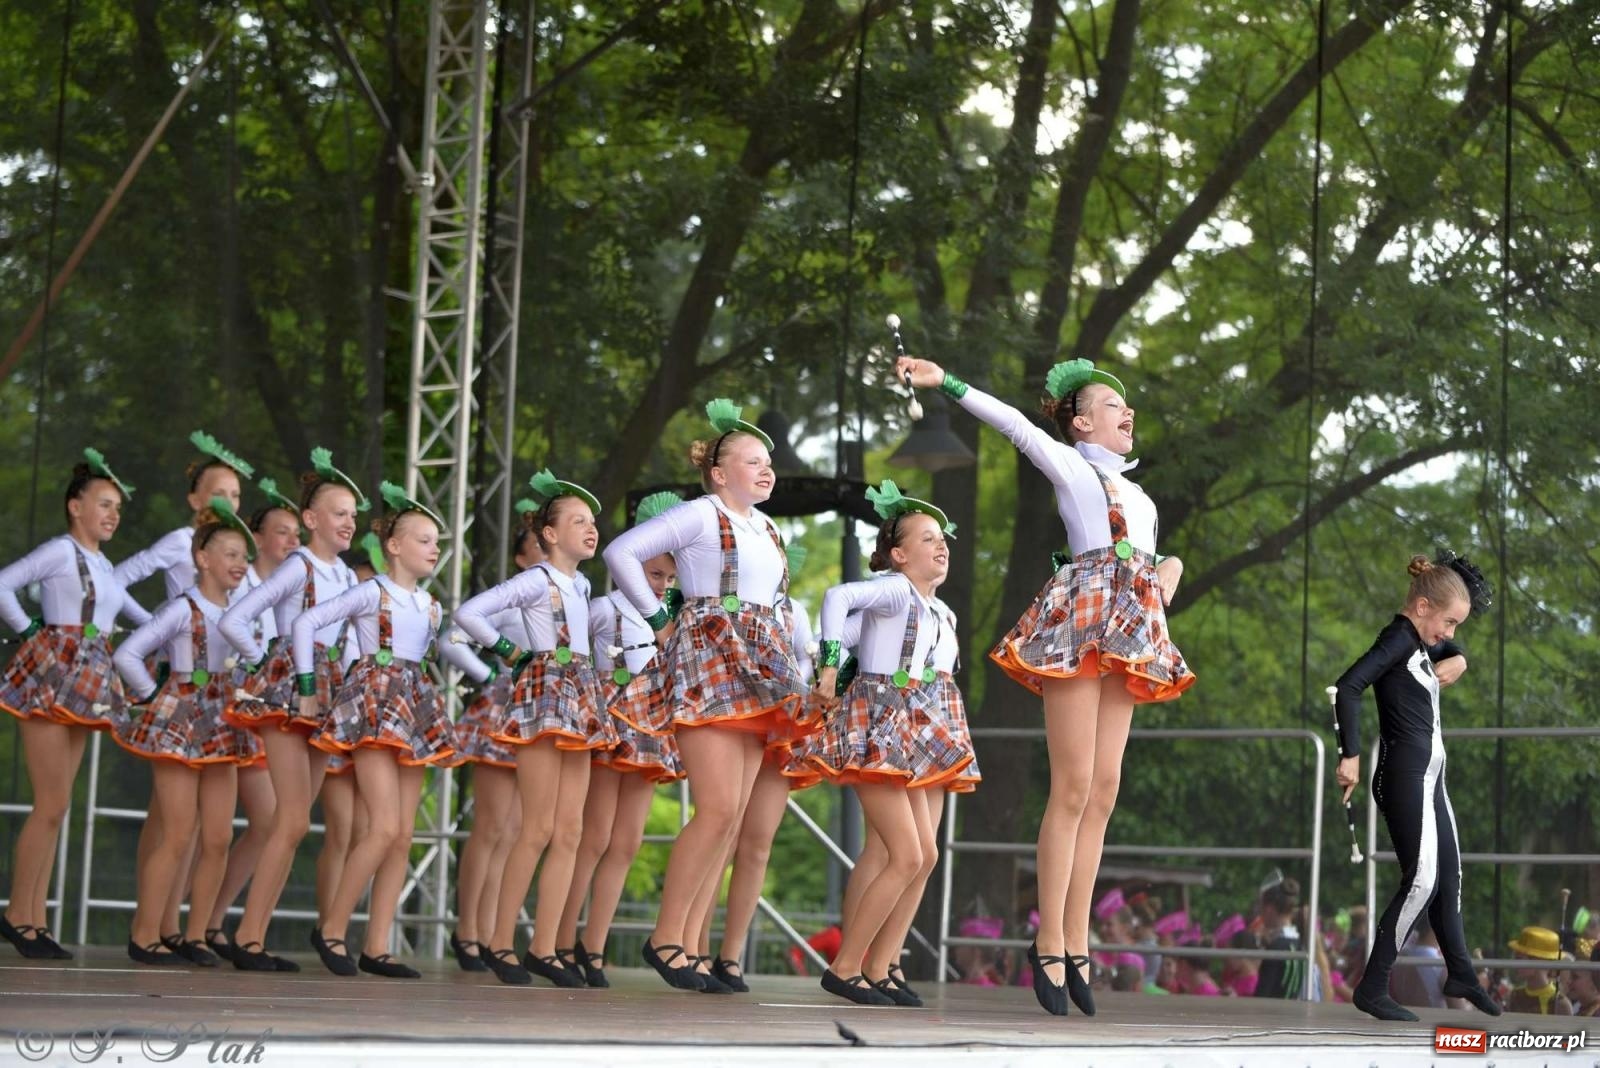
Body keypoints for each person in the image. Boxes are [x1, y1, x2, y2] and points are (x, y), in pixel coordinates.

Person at [896, 355, 1193, 1017]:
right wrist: (947, 382)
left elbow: (1155, 556)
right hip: (1080, 621)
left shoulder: (1140, 497)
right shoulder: (1072, 465)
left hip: (1131, 630)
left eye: (1129, 409)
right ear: (1083, 422)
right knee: (1074, 784)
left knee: (1105, 790)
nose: (1129, 415)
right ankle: (1051, 940)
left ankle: (1078, 940)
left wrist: (1170, 564)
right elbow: (1015, 428)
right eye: (1115, 407)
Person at [602, 400, 810, 992]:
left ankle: (690, 946)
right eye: (752, 461)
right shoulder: (697, 516)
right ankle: (666, 937)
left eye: (768, 463)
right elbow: (621, 554)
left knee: (732, 816)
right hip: (710, 663)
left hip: (759, 671)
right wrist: (661, 617)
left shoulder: (768, 528)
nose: (766, 471)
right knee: (718, 807)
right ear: (719, 473)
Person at [301, 483, 490, 979]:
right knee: (382, 825)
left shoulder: (429, 606)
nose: (434, 549)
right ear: (394, 545)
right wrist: (306, 682)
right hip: (372, 700)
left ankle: (376, 944)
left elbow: (441, 647)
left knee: (402, 834)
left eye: (436, 542)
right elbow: (308, 624)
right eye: (424, 540)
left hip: (412, 701)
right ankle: (332, 929)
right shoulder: (370, 591)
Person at [804, 482, 970, 1006]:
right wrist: (828, 662)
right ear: (898, 555)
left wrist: (839, 645)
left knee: (923, 857)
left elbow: (857, 631)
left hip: (929, 729)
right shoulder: (895, 589)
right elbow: (837, 598)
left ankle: (881, 965)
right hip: (882, 725)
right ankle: (847, 965)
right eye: (926, 539)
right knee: (906, 852)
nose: (940, 546)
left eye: (942, 539)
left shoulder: (942, 613)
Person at [452, 470, 613, 987]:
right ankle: (500, 941)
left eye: (593, 522)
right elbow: (470, 613)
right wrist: (509, 653)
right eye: (578, 522)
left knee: (571, 829)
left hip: (581, 694)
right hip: (544, 692)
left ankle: (544, 947)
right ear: (549, 534)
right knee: (537, 826)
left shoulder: (584, 583)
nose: (591, 530)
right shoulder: (533, 579)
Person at [1334, 552, 1501, 1022]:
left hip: (1431, 778)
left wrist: (1461, 657)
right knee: (1422, 880)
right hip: (1403, 778)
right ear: (1424, 606)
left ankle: (1462, 972)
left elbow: (1445, 650)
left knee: (1450, 877)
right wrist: (1350, 754)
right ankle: (1374, 984)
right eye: (1449, 622)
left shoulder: (1422, 641)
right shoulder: (1398, 639)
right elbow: (1349, 686)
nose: (1450, 634)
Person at [216, 448, 363, 970]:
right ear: (311, 519)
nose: (348, 522)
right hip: (291, 688)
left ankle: (252, 935)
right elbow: (236, 618)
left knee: (296, 823)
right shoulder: (298, 567)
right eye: (339, 512)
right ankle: (248, 937)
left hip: (329, 693)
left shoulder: (347, 577)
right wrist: (268, 664)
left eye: (352, 514)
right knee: (292, 817)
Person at [0, 449, 147, 960]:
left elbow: (141, 617)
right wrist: (30, 630)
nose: (112, 515)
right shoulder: (60, 552)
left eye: (117, 509)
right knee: (50, 802)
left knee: (59, 804)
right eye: (103, 504)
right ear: (75, 507)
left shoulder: (105, 566)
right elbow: (3, 583)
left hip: (88, 679)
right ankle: (20, 914)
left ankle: (33, 918)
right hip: (50, 673)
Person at [112, 500, 260, 965]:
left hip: (223, 719)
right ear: (202, 558)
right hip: (179, 716)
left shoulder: (241, 614)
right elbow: (127, 654)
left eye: (244, 558)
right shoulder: (182, 609)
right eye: (231, 554)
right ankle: (144, 934)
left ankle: (196, 935)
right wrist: (153, 696)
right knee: (177, 833)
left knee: (217, 836)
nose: (239, 565)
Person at [557, 490, 686, 989]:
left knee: (627, 842)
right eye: (655, 574)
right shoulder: (603, 607)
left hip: (649, 730)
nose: (662, 584)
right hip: (610, 722)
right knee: (594, 837)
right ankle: (560, 940)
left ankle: (595, 945)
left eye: (670, 577)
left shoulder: (670, 619)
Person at [448, 513, 543, 972]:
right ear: (522, 556)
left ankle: (491, 932)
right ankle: (468, 929)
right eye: (538, 544)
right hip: (504, 706)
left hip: (543, 712)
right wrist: (491, 673)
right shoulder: (511, 598)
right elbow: (452, 638)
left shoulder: (570, 594)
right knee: (490, 827)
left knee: (516, 831)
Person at [1505, 927, 1574, 1015]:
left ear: (1537, 960)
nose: (1516, 963)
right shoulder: (1512, 997)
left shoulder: (1559, 1003)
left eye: (1519, 958)